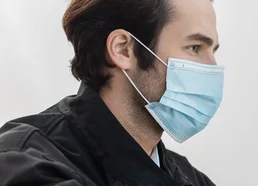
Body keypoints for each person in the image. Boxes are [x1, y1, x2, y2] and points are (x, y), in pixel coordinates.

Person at [0, 0, 222, 185]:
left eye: (213, 51)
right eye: (194, 48)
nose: (212, 68)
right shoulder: (30, 164)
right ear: (123, 49)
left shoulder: (190, 178)